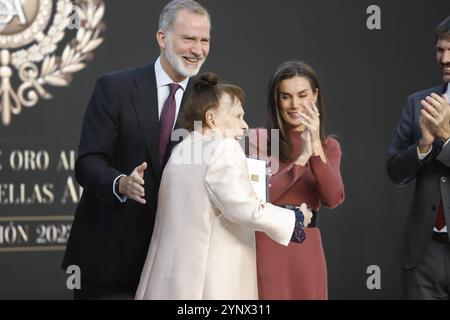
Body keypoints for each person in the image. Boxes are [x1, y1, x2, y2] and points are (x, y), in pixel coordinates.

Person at [62, 0, 211, 299]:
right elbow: (88, 162)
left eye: (204, 40)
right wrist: (121, 183)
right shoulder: (114, 88)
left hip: (173, 267)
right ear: (162, 38)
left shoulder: (209, 101)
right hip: (108, 260)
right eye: (188, 38)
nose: (198, 49)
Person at [135, 73, 312, 300]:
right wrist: (294, 219)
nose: (245, 125)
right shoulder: (224, 147)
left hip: (167, 285)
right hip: (209, 286)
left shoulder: (182, 149)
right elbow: (243, 209)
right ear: (211, 118)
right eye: (237, 116)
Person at [252, 61, 345, 299]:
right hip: (267, 243)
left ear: (315, 95)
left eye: (302, 95)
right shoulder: (259, 139)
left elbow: (333, 198)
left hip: (307, 246)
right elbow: (260, 198)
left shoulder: (328, 146)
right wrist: (302, 158)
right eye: (286, 96)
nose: (294, 105)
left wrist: (314, 147)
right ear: (276, 100)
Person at [387, 16, 450, 300]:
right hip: (424, 253)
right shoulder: (419, 103)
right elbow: (395, 171)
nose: (444, 59)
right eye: (440, 50)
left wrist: (447, 138)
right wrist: (423, 146)